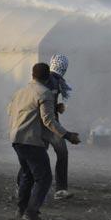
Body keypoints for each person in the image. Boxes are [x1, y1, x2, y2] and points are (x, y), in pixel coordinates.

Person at [7, 63, 80, 220]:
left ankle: (21, 210)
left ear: (32, 75)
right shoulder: (45, 93)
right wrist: (68, 135)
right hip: (31, 140)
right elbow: (49, 121)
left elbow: (9, 111)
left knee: (27, 174)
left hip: (16, 139)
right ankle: (32, 212)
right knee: (44, 178)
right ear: (48, 76)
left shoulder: (20, 92)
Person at [47, 54, 74, 199]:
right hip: (48, 124)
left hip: (49, 123)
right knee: (61, 154)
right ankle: (60, 189)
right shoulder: (51, 81)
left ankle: (22, 186)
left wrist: (56, 107)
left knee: (38, 156)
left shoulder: (55, 81)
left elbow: (46, 102)